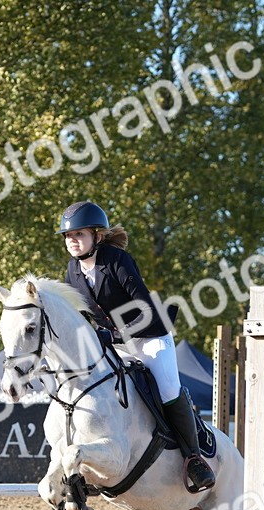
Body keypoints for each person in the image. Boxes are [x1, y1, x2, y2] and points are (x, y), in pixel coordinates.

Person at [57, 200, 215, 493]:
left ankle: (194, 457)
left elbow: (145, 309)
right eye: (69, 236)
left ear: (97, 235)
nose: (73, 241)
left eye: (79, 234)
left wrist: (116, 336)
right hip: (113, 343)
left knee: (168, 389)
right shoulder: (72, 270)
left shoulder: (117, 260)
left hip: (149, 336)